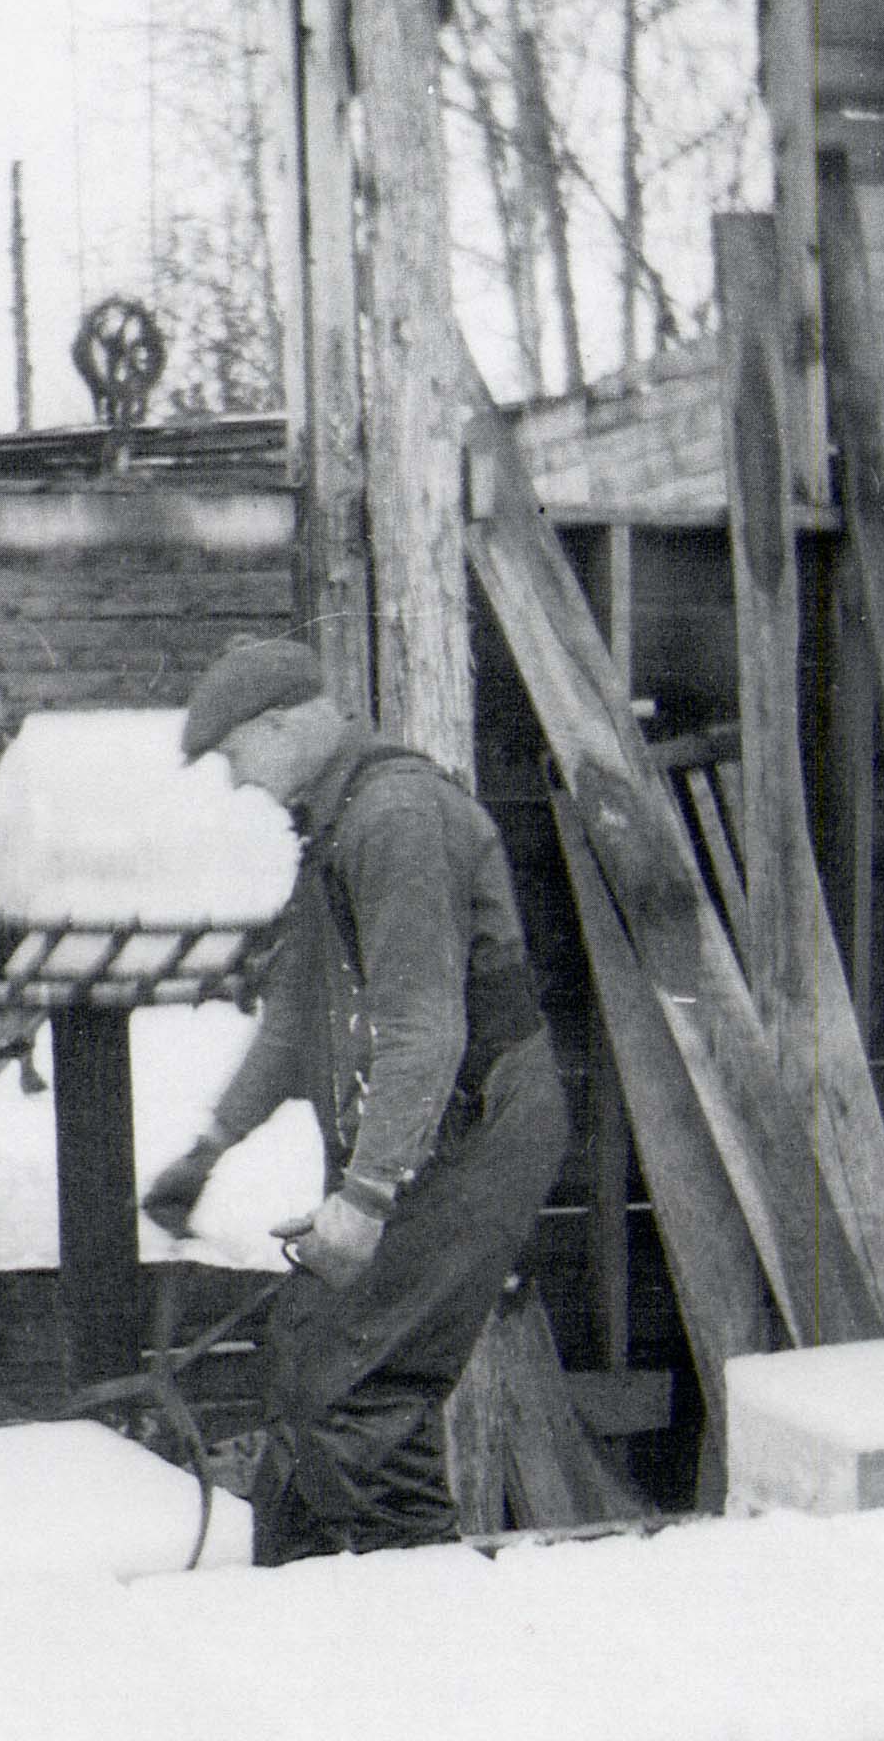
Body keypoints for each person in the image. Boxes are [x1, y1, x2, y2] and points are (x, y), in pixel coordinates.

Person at [143, 637, 568, 1565]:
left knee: (356, 1387)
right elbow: (296, 1023)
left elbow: (425, 1029)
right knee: (307, 1350)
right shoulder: (335, 825)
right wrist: (211, 1146)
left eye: (234, 755)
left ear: (279, 726)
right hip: (429, 1127)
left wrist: (368, 1195)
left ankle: (422, 1606)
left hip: (478, 1126)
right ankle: (307, 1601)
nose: (236, 781)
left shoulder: (397, 819)